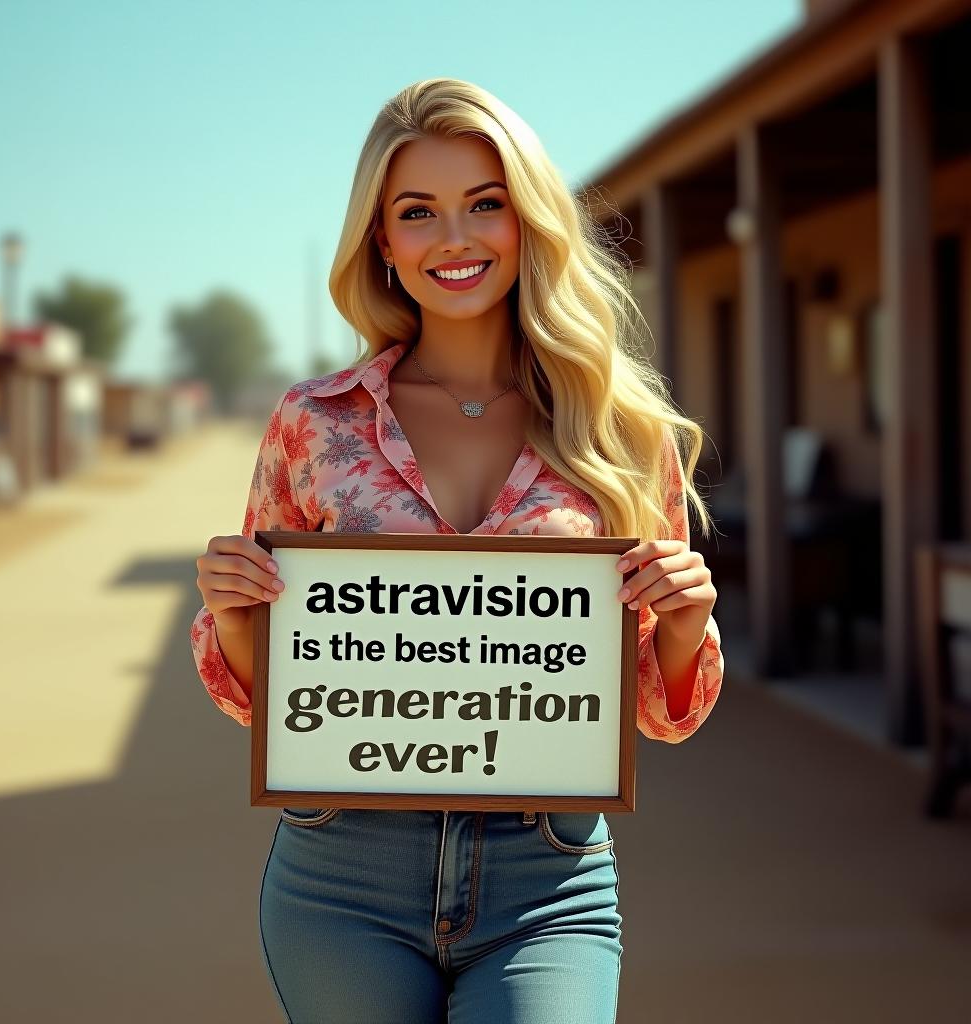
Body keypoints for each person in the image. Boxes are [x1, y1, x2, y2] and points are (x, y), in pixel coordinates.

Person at [190, 77, 724, 1024]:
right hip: (340, 877)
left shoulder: (621, 432)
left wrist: (683, 620)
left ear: (528, 222)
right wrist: (236, 611)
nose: (455, 238)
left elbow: (657, 710)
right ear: (384, 242)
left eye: (485, 204)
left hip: (546, 879)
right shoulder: (313, 423)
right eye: (418, 212)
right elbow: (259, 695)